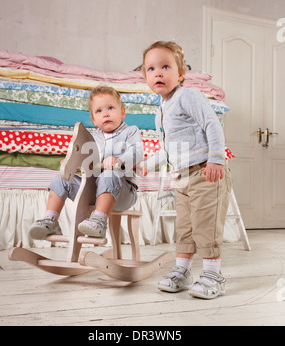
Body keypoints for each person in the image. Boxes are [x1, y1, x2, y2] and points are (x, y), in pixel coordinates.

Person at [140, 41, 232, 299]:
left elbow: (212, 125)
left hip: (205, 172)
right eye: (151, 69)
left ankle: (214, 274)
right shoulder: (160, 112)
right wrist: (148, 164)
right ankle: (183, 270)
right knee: (185, 227)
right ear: (145, 77)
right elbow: (170, 148)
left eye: (165, 66)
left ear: (180, 74)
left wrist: (216, 159)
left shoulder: (188, 96)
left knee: (205, 224)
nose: (158, 73)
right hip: (181, 177)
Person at [29, 86, 143, 239]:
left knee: (108, 175)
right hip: (94, 190)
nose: (106, 114)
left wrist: (119, 160)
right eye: (99, 111)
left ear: (122, 112)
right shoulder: (92, 138)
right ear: (94, 120)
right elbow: (83, 159)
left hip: (123, 192)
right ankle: (50, 220)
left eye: (110, 108)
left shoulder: (130, 132)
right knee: (62, 179)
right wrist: (72, 163)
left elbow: (137, 152)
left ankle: (99, 221)